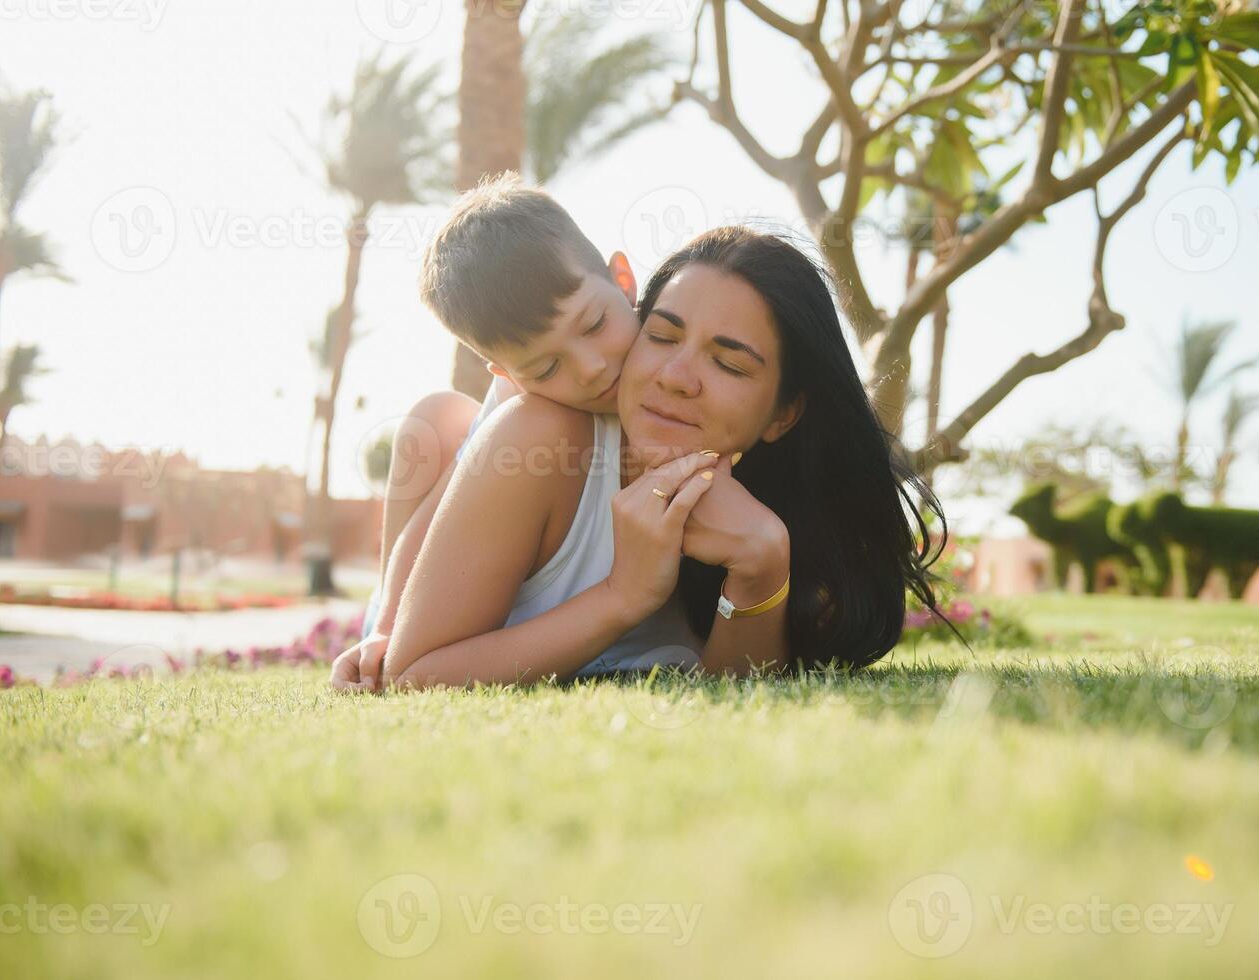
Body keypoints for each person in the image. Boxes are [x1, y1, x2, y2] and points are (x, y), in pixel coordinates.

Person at [334, 226, 949, 690]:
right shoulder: (544, 431)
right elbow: (412, 677)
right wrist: (624, 595)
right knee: (440, 419)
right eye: (661, 336)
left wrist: (762, 558)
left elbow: (736, 694)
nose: (677, 377)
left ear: (785, 414)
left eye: (729, 363)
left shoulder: (783, 517)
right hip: (426, 616)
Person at [360, 171, 646, 643]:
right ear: (509, 375)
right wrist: (388, 628)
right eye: (546, 368)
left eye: (594, 325)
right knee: (436, 417)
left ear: (624, 281)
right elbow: (432, 522)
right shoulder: (523, 411)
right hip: (449, 606)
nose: (591, 369)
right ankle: (383, 620)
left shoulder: (677, 345)